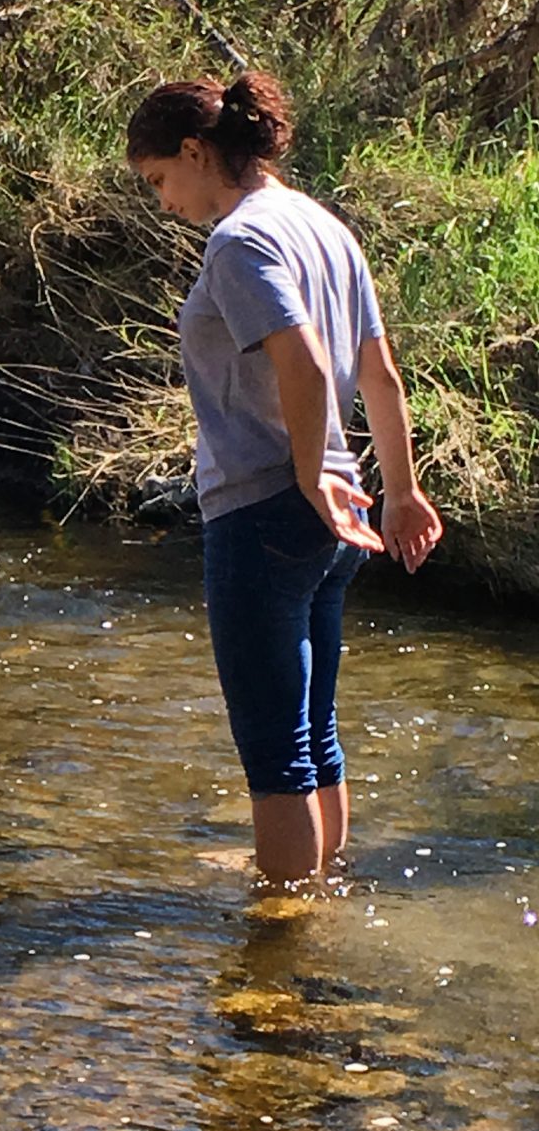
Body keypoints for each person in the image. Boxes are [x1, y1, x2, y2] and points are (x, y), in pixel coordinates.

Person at [126, 70, 443, 884]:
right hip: (338, 513)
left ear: (197, 151)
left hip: (270, 507)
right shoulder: (324, 226)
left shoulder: (239, 240)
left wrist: (306, 476)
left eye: (162, 180)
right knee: (312, 727)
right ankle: (320, 880)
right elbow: (382, 377)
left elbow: (298, 360)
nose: (165, 203)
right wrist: (401, 492)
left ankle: (285, 940)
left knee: (275, 753)